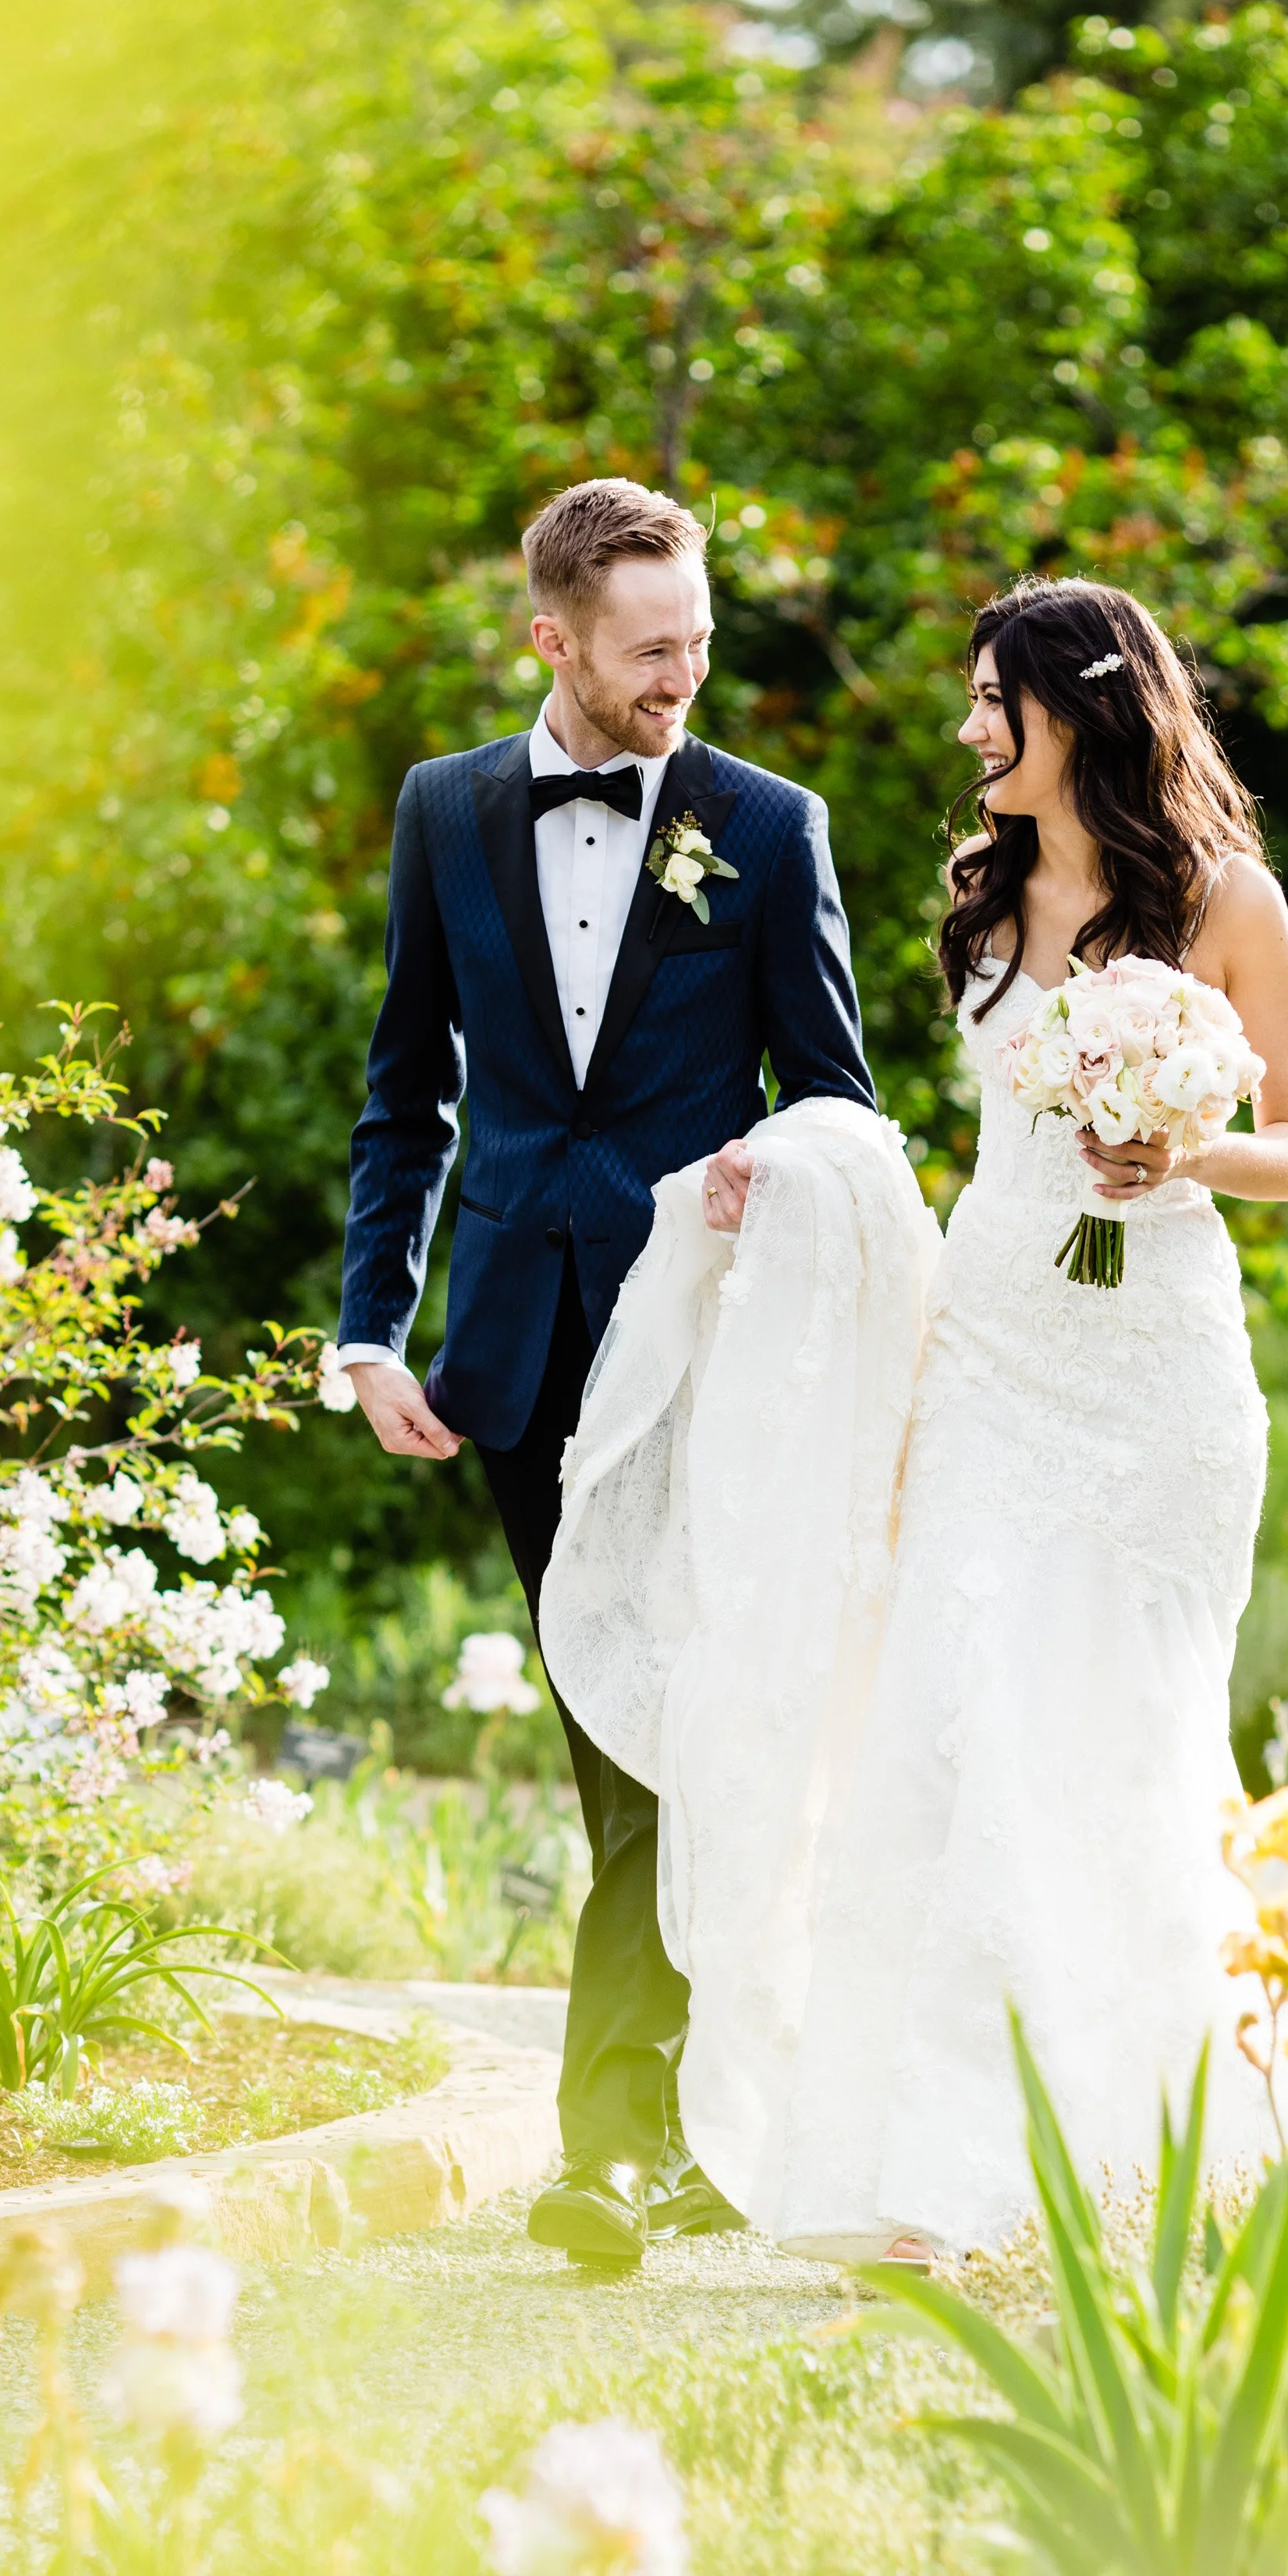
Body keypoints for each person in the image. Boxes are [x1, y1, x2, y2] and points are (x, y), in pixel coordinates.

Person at [543, 574, 1288, 2265]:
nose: (970, 727)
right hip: (986, 1352)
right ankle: (941, 2166)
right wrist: (797, 1187)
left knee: (1119, 1736)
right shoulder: (983, 901)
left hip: (1154, 1382)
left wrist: (1177, 1148)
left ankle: (1144, 2152)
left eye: (996, 699)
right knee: (953, 1711)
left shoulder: (1223, 897)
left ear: (1082, 710)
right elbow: (942, 1137)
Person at [334, 476, 875, 2270]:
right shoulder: (446, 809)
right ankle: (698, 2117)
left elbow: (839, 1102)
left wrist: (767, 1166)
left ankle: (609, 2147)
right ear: (550, 639)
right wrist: (366, 1324)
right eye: (651, 653)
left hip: (698, 1342)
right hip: (508, 1335)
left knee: (664, 1729)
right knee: (615, 1728)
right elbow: (406, 1079)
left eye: (700, 643)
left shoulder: (769, 825)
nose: (683, 680)